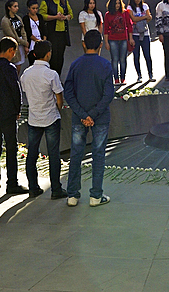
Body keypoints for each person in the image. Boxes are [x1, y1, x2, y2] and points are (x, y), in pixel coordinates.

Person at [64, 30, 114, 207]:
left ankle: (72, 194)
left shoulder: (76, 64)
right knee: (98, 154)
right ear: (101, 44)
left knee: (76, 153)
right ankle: (96, 195)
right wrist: (93, 114)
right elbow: (109, 94)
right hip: (99, 117)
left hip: (79, 116)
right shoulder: (105, 65)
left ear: (84, 44)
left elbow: (68, 92)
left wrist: (83, 114)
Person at [19, 40, 66, 199]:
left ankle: (33, 187)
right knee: (54, 154)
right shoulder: (51, 74)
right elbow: (59, 97)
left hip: (34, 118)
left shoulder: (26, 74)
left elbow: (25, 92)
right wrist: (57, 109)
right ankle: (56, 189)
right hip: (51, 117)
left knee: (32, 153)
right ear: (48, 54)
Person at [0, 37, 27, 195]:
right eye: (14, 52)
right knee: (11, 147)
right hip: (7, 112)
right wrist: (18, 109)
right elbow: (15, 90)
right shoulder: (9, 68)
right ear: (10, 50)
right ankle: (12, 183)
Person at [40, 0, 73, 75]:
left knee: (60, 56)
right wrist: (55, 17)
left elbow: (71, 14)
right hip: (52, 33)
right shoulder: (46, 2)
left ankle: (58, 76)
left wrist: (65, 17)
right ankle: (52, 76)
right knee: (53, 56)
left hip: (62, 33)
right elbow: (42, 16)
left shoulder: (64, 2)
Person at [102, 0, 132, 84]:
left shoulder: (125, 13)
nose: (117, 5)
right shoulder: (108, 15)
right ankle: (116, 78)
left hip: (123, 39)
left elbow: (129, 26)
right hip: (113, 40)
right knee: (114, 59)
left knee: (123, 59)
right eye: (115, 4)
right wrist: (106, 42)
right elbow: (106, 29)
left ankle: (123, 77)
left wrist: (130, 38)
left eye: (119, 3)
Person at [127, 0, 154, 81]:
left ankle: (150, 74)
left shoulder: (145, 5)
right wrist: (144, 17)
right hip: (135, 34)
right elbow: (133, 19)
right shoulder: (130, 7)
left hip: (145, 33)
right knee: (136, 55)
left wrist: (144, 18)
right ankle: (139, 75)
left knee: (147, 55)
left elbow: (149, 17)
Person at [1, 0, 30, 70]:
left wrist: (25, 42)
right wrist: (24, 42)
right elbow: (11, 35)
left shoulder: (18, 18)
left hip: (21, 42)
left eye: (17, 6)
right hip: (12, 43)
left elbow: (23, 30)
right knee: (13, 63)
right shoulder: (5, 20)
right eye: (15, 6)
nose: (17, 8)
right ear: (9, 8)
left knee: (19, 64)